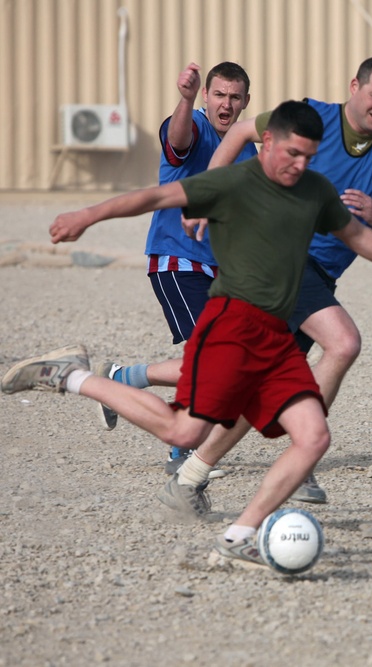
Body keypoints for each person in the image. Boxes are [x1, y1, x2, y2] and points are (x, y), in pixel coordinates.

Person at [1, 101, 372, 567]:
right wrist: (87, 215)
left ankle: (239, 536)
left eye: (309, 156)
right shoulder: (233, 183)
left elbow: (358, 237)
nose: (300, 165)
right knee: (184, 428)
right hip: (231, 327)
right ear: (268, 141)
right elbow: (155, 198)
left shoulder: (315, 190)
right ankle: (72, 376)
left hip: (275, 341)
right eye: (292, 153)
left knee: (314, 437)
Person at [180, 55, 372, 510]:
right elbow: (238, 132)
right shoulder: (312, 118)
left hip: (318, 275)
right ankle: (305, 455)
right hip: (277, 254)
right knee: (344, 342)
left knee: (258, 387)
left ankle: (190, 473)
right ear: (354, 85)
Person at [96, 61, 257, 480]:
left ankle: (122, 379)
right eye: (219, 94)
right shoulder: (194, 126)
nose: (227, 103)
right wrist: (184, 100)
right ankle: (180, 452)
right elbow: (178, 140)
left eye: (235, 97)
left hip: (222, 269)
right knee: (206, 359)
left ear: (246, 102)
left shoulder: (247, 146)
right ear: (207, 96)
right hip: (176, 260)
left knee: (227, 361)